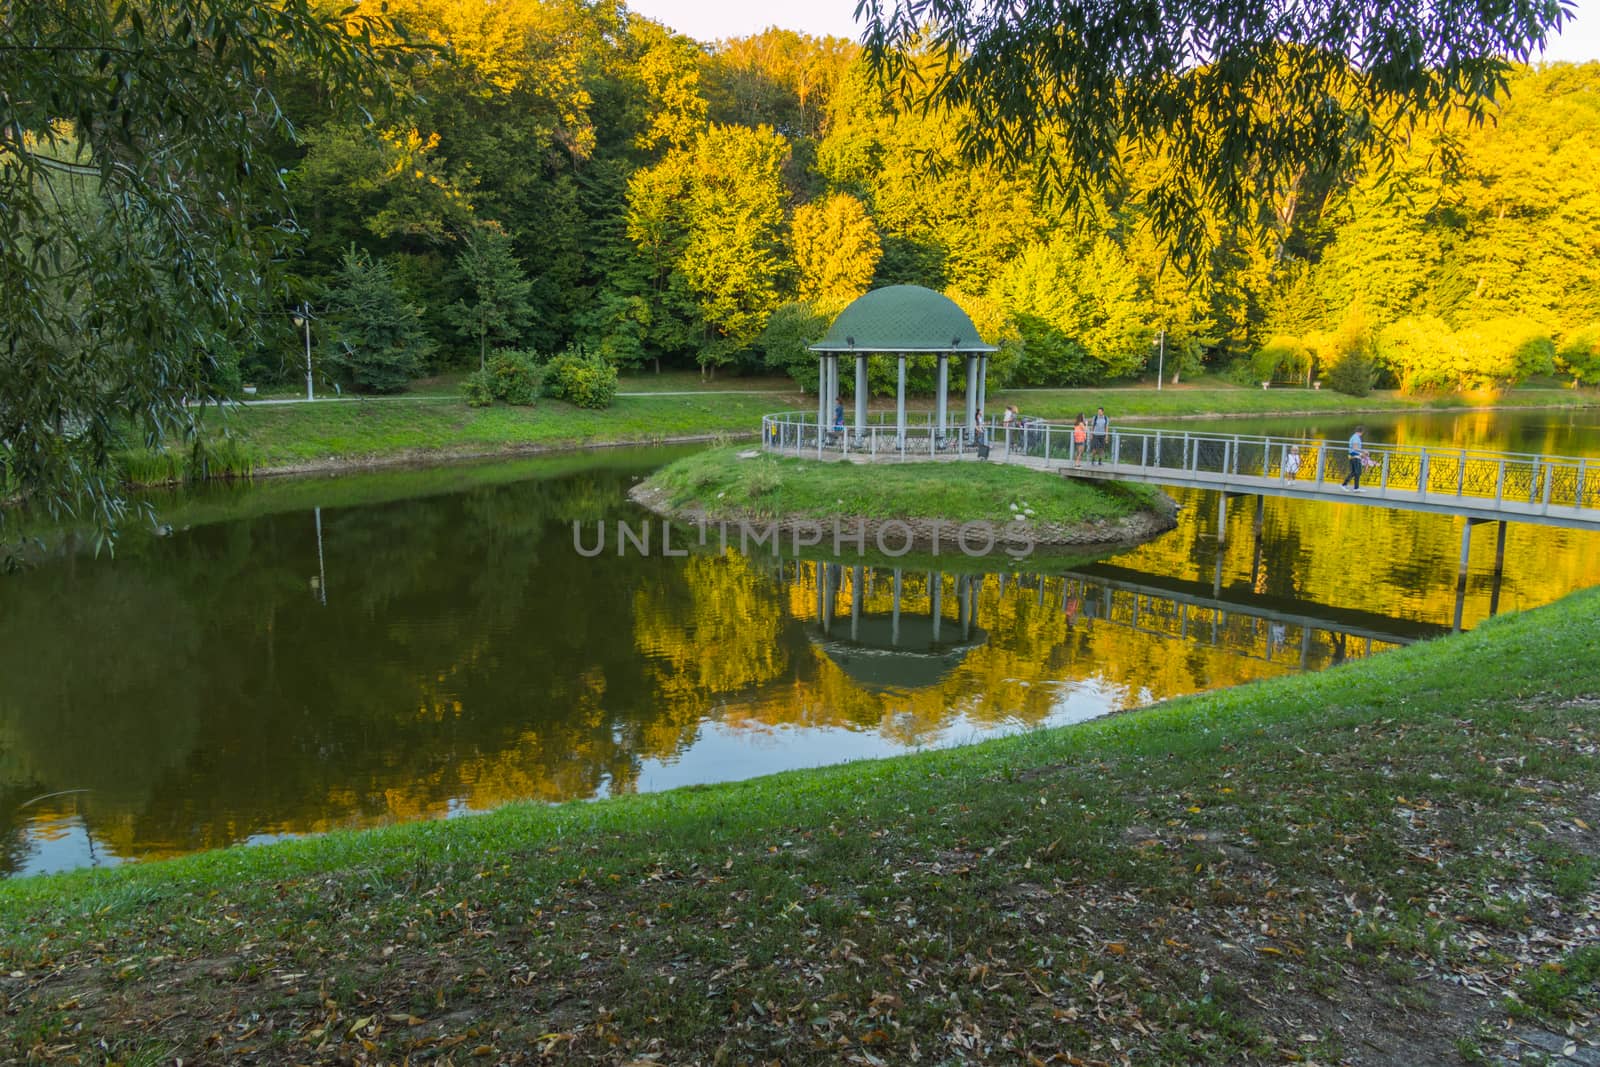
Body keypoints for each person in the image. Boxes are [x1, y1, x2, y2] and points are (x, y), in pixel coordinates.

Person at [1340, 426, 1366, 491]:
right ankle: (1344, 485)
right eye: (1362, 433)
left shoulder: (1354, 437)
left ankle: (1356, 488)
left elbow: (1355, 448)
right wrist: (1363, 451)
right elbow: (1355, 448)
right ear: (1361, 432)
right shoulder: (1356, 438)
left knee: (1356, 472)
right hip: (1354, 456)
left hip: (1354, 455)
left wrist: (1361, 454)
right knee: (1356, 472)